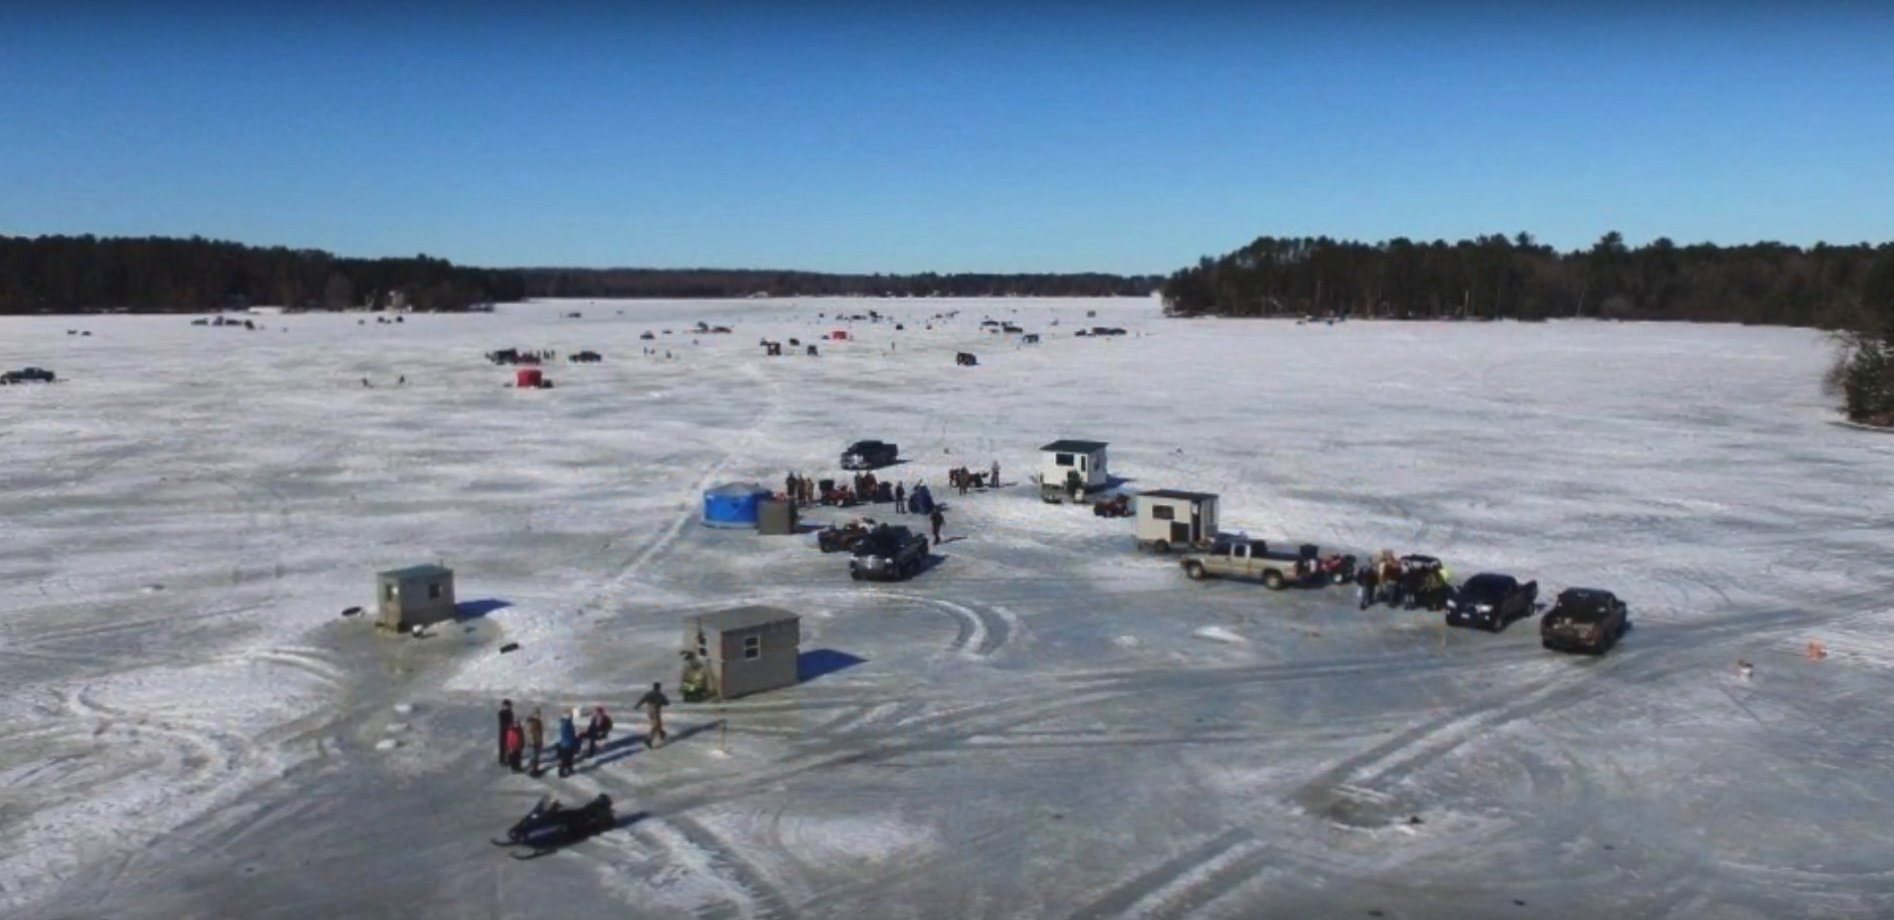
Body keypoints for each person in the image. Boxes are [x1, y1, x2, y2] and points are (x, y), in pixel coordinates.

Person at [638, 682, 671, 749]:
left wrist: (638, 705)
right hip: (655, 709)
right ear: (659, 687)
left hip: (649, 709)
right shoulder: (660, 694)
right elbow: (667, 702)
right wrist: (662, 702)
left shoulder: (650, 693)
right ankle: (650, 739)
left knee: (656, 722)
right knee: (656, 724)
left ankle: (661, 733)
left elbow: (643, 699)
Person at [557, 712, 579, 777]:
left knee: (570, 758)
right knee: (565, 759)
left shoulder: (569, 723)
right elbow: (565, 734)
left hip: (570, 743)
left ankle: (570, 769)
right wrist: (572, 737)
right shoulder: (565, 724)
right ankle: (561, 772)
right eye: (571, 716)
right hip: (566, 744)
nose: (572, 717)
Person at [525, 708, 545, 775]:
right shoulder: (530, 722)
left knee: (537, 756)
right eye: (537, 714)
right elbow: (530, 733)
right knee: (533, 756)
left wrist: (541, 741)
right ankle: (532, 770)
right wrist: (532, 742)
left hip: (538, 741)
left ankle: (535, 769)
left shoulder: (538, 721)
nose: (538, 715)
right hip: (532, 743)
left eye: (539, 714)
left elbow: (541, 731)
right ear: (533, 714)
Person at [497, 700, 515, 767]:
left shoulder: (510, 712)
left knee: (509, 745)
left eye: (509, 706)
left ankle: (508, 758)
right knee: (502, 746)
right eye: (507, 706)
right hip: (503, 731)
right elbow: (502, 722)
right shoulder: (501, 713)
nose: (508, 707)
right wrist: (508, 725)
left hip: (509, 731)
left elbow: (511, 721)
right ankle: (502, 760)